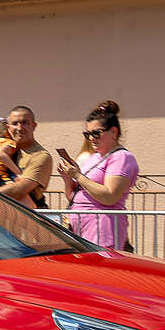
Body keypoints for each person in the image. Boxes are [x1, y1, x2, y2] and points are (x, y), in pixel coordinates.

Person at [56, 101, 140, 251]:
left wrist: (77, 175)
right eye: (87, 134)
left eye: (96, 133)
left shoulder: (122, 157)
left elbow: (110, 196)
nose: (91, 138)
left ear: (113, 132)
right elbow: (74, 197)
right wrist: (67, 178)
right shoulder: (94, 157)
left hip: (102, 227)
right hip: (80, 226)